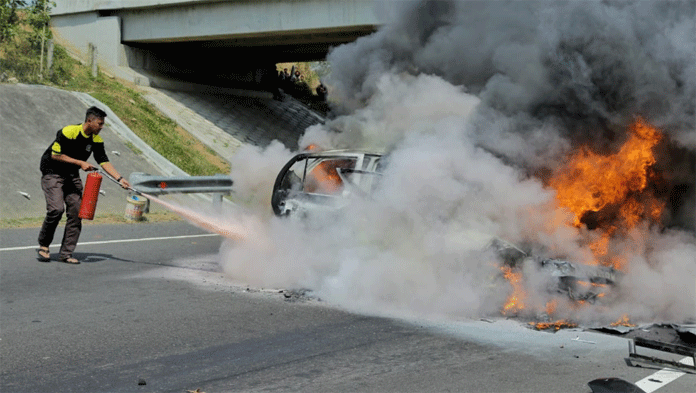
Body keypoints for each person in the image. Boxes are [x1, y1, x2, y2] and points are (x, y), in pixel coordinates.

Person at [37, 106, 131, 264]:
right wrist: (81, 162)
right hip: (52, 171)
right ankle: (44, 245)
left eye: (102, 124)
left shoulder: (96, 140)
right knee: (56, 209)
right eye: (100, 124)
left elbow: (103, 161)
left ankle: (66, 254)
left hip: (71, 175)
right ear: (89, 121)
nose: (102, 127)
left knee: (76, 212)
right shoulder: (69, 132)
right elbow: (56, 155)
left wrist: (119, 178)